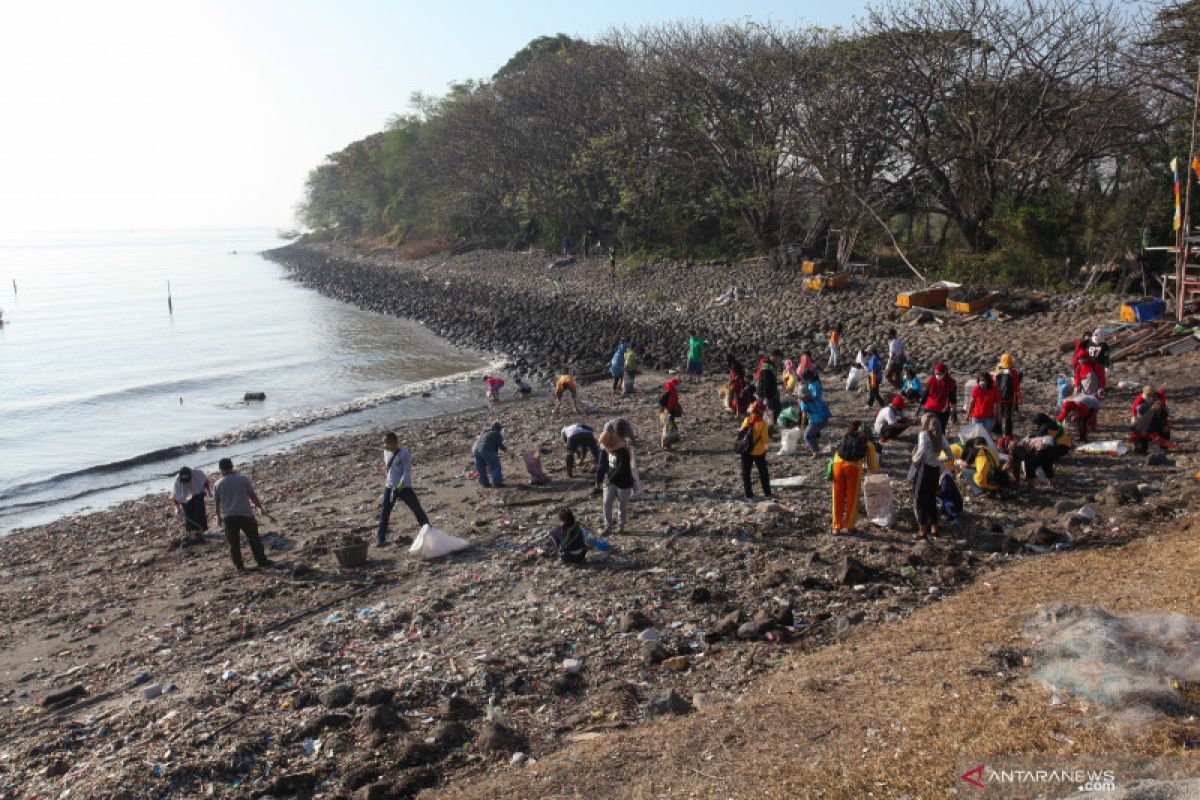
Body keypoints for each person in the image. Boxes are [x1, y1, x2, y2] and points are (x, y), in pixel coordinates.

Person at [212, 458, 273, 572]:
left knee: (233, 543)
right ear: (232, 466)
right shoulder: (242, 479)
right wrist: (259, 507)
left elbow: (217, 503)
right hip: (244, 513)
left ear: (220, 469)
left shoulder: (217, 484)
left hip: (228, 516)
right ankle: (261, 561)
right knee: (254, 539)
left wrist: (218, 517)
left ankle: (239, 566)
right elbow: (252, 495)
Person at [377, 432, 430, 546]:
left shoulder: (404, 454)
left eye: (386, 443)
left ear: (393, 442)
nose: (384, 446)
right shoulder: (386, 452)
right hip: (389, 487)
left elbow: (406, 474)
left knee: (417, 509)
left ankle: (429, 531)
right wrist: (387, 478)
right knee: (384, 513)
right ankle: (380, 539)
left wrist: (398, 488)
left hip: (404, 487)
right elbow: (389, 469)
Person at [830, 421, 880, 533]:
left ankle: (836, 527)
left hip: (837, 466)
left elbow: (837, 453)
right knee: (852, 498)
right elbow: (873, 468)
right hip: (853, 469)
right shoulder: (867, 443)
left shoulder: (845, 437)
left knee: (837, 496)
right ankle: (849, 526)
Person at [912, 414, 945, 538]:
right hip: (935, 469)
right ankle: (934, 529)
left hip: (924, 469)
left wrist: (914, 460)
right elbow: (946, 451)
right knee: (931, 499)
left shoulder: (924, 434)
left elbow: (922, 450)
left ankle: (922, 531)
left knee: (920, 500)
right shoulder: (939, 436)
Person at [599, 425, 635, 534]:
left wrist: (610, 478)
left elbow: (622, 468)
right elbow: (604, 464)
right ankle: (608, 526)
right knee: (606, 503)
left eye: (607, 444)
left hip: (623, 482)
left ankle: (621, 526)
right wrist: (600, 478)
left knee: (622, 506)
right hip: (611, 481)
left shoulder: (622, 449)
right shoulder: (608, 449)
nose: (606, 447)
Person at [738, 401, 772, 498]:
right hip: (758, 452)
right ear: (761, 411)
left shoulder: (747, 420)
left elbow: (741, 433)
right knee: (763, 472)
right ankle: (767, 493)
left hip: (745, 451)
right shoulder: (763, 423)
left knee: (746, 473)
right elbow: (765, 440)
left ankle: (748, 494)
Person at [1130, 386, 1172, 453]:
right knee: (1140, 448)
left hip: (1155, 422)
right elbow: (1134, 409)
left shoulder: (1159, 405)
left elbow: (1164, 416)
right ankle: (1141, 446)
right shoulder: (1141, 406)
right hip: (1145, 424)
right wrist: (1134, 417)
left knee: (1164, 429)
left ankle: (1163, 447)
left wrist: (1166, 423)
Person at [170, 466, 210, 535]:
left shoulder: (198, 474)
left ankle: (202, 529)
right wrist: (178, 508)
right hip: (185, 496)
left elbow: (206, 482)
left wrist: (209, 492)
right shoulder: (177, 480)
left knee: (200, 511)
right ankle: (192, 531)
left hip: (198, 492)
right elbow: (175, 496)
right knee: (188, 513)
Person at [562, 423, 604, 488]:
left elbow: (570, 445)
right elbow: (591, 430)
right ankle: (600, 468)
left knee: (569, 453)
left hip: (573, 437)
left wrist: (579, 456)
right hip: (588, 435)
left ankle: (569, 472)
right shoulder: (577, 425)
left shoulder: (565, 431)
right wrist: (580, 456)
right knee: (596, 452)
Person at [921, 363, 958, 432]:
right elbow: (925, 394)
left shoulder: (950, 383)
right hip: (929, 408)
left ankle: (939, 442)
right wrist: (920, 405)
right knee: (927, 429)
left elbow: (953, 398)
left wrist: (954, 412)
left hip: (942, 410)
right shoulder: (931, 380)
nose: (938, 375)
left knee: (940, 429)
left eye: (940, 373)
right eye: (936, 373)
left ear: (945, 372)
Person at [993, 354, 1023, 437]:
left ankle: (997, 432)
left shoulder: (997, 369)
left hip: (998, 397)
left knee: (998, 414)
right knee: (1008, 417)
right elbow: (1016, 387)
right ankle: (1008, 434)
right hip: (1009, 398)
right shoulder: (1012, 371)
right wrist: (1020, 398)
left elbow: (994, 383)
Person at [472, 422, 507, 488]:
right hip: (485, 449)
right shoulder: (496, 433)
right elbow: (501, 445)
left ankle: (484, 483)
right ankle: (497, 483)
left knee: (481, 468)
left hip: (475, 450)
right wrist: (508, 451)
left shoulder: (484, 433)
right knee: (495, 465)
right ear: (499, 429)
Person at [798, 387, 831, 457]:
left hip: (816, 422)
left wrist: (802, 425)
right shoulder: (816, 398)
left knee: (806, 436)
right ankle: (816, 449)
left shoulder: (804, 403)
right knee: (812, 435)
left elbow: (804, 417)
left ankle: (815, 452)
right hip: (825, 419)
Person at [937, 444, 964, 521]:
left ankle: (951, 514)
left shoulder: (946, 477)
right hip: (952, 500)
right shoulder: (943, 476)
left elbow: (945, 492)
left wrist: (933, 493)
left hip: (955, 505)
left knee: (937, 500)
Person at [758, 352, 782, 423]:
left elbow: (772, 380)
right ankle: (767, 427)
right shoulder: (767, 367)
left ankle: (771, 426)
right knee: (769, 412)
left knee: (776, 409)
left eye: (778, 357)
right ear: (771, 356)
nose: (777, 359)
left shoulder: (772, 365)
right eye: (776, 357)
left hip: (772, 392)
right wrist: (766, 397)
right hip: (766, 393)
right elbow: (765, 383)